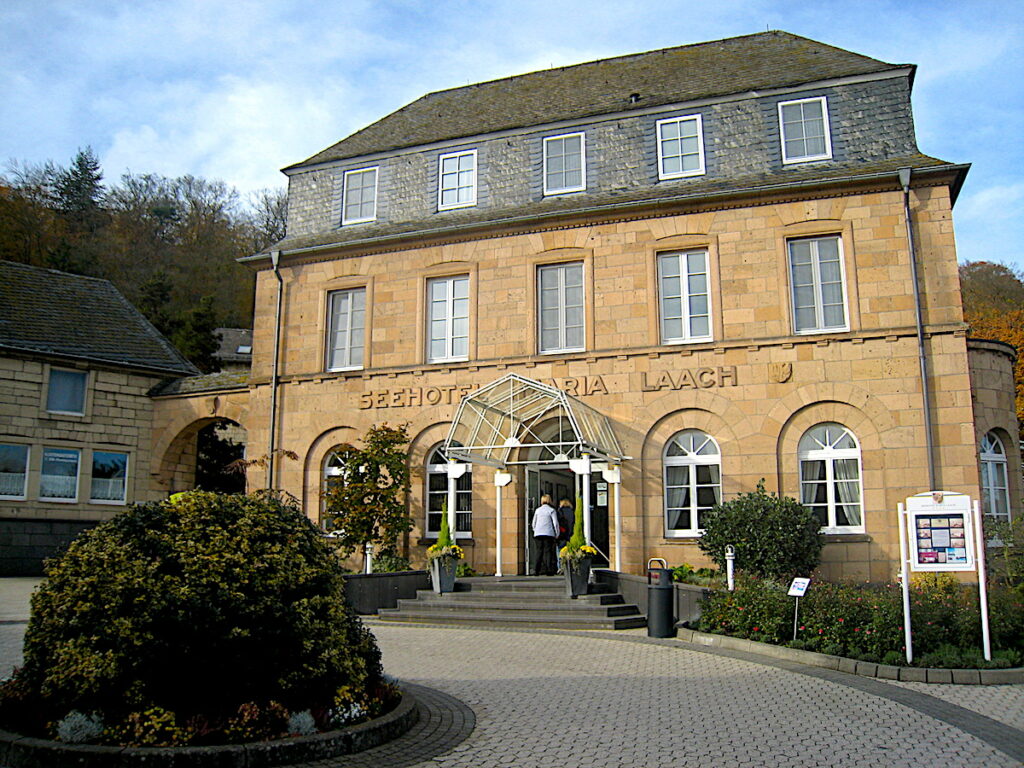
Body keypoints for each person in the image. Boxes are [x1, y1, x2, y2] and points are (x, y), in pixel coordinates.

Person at [531, 493, 559, 576]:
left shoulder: (537, 510)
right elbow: (555, 523)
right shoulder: (551, 510)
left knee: (539, 552)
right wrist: (557, 533)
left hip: (538, 534)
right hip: (548, 533)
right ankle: (549, 570)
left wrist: (535, 530)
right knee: (548, 552)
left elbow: (533, 523)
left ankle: (536, 570)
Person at [556, 498, 574, 573]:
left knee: (560, 550)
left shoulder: (560, 511)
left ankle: (561, 567)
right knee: (569, 551)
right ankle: (569, 566)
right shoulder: (572, 511)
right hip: (570, 533)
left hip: (562, 533)